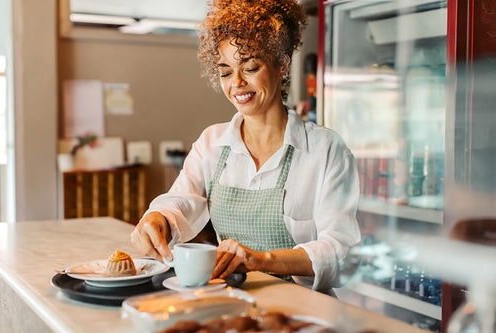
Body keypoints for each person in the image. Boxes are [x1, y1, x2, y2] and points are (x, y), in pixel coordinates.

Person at [131, 0, 361, 293]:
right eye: (226, 72)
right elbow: (180, 200)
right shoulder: (212, 143)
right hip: (229, 302)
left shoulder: (326, 151)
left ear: (282, 64)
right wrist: (157, 218)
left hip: (302, 311)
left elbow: (343, 253)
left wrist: (260, 259)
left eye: (250, 67)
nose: (237, 83)